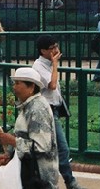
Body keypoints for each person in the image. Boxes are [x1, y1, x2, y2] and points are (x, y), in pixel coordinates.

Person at [32, 35, 84, 189]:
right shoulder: (39, 66)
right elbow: (52, 85)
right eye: (52, 48)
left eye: (56, 46)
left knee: (49, 149)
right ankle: (70, 182)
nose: (56, 50)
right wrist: (55, 64)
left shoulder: (48, 64)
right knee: (61, 148)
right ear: (42, 51)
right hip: (45, 112)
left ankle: (59, 182)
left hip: (52, 109)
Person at [0, 67, 59, 189]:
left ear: (31, 87)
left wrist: (12, 141)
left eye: (18, 83)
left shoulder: (38, 110)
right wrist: (9, 154)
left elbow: (42, 147)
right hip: (29, 174)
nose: (14, 87)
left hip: (40, 178)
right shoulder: (28, 106)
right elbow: (23, 136)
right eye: (14, 83)